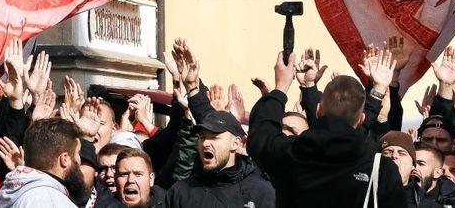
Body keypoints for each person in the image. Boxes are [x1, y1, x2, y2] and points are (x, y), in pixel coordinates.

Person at [248, 50, 405, 207]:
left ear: (318, 110)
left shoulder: (291, 153)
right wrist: (378, 90)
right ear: (361, 119)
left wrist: (280, 87)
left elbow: (261, 134)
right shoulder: (381, 170)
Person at [165, 110, 274, 208]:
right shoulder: (181, 192)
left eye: (214, 137)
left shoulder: (261, 192)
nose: (205, 143)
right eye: (202, 137)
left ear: (235, 143)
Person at [0, 118, 89, 207]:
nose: (79, 160)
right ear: (65, 159)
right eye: (78, 153)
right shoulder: (50, 201)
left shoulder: (8, 194)